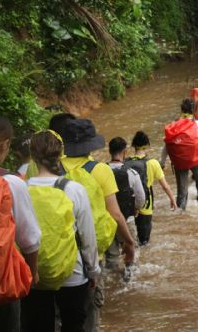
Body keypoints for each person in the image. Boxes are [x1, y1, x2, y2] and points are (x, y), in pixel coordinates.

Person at [55, 116, 135, 332]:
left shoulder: (49, 166)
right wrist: (129, 243)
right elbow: (116, 215)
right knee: (90, 312)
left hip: (53, 252)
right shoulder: (100, 170)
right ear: (90, 144)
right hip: (87, 253)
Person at [22, 130, 100, 332]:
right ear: (60, 154)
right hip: (72, 274)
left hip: (34, 274)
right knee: (73, 325)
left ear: (32, 156)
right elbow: (87, 237)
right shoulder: (74, 189)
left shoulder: (21, 189)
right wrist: (93, 271)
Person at [0, 116, 39, 332]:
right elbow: (30, 240)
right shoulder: (12, 183)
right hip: (1, 282)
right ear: (6, 145)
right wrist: (33, 272)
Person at [162, 99, 198, 210]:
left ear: (181, 109)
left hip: (179, 162)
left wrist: (162, 162)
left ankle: (180, 214)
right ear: (194, 110)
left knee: (182, 191)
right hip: (196, 160)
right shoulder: (196, 124)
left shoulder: (174, 124)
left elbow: (166, 146)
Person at [106, 137, 146, 270]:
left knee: (111, 257)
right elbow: (141, 198)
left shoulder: (101, 172)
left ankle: (112, 283)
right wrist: (136, 208)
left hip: (107, 221)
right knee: (131, 251)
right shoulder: (131, 173)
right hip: (126, 219)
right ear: (125, 151)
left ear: (109, 151)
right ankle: (129, 279)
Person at [129, 131, 177, 242]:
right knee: (144, 240)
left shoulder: (126, 162)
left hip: (129, 204)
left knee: (129, 237)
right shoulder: (153, 163)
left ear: (133, 146)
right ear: (148, 145)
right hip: (145, 205)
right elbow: (165, 186)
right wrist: (172, 199)